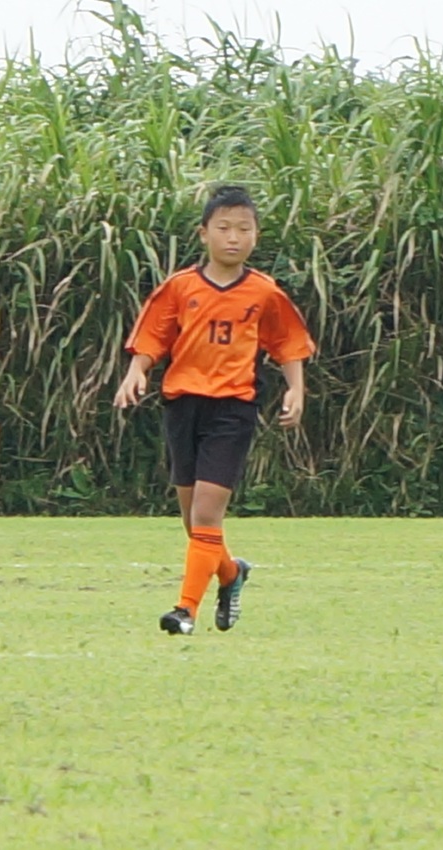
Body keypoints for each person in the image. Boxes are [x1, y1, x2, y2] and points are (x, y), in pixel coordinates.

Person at [113, 184, 315, 635]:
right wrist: (135, 372)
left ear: (256, 235)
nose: (233, 237)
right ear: (204, 233)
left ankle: (185, 611)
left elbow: (288, 342)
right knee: (195, 523)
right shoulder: (180, 287)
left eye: (244, 229)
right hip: (183, 405)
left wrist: (296, 390)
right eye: (224, 228)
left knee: (206, 516)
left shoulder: (264, 292)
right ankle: (230, 572)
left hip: (232, 409)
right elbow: (153, 336)